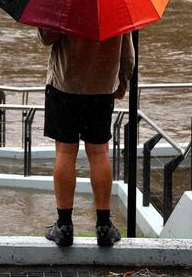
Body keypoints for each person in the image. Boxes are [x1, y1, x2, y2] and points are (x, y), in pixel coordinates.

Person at [38, 28, 134, 247]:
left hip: (64, 85)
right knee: (100, 153)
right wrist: (124, 78)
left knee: (65, 151)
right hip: (101, 88)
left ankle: (64, 227)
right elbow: (127, 49)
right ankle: (104, 226)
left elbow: (46, 38)